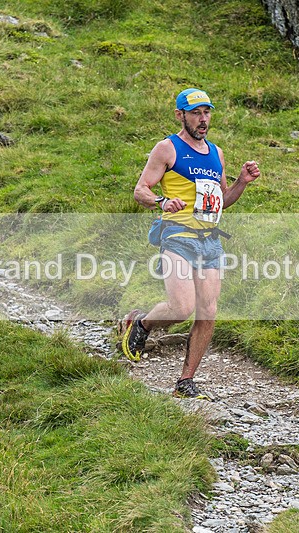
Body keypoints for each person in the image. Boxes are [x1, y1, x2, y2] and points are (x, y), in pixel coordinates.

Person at [121, 88, 261, 400]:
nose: (203, 119)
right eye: (196, 113)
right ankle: (141, 324)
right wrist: (161, 200)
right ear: (180, 115)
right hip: (177, 235)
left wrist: (241, 182)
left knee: (207, 313)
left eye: (207, 112)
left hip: (210, 242)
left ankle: (185, 382)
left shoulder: (216, 153)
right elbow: (140, 190)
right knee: (182, 307)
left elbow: (221, 201)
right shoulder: (167, 148)